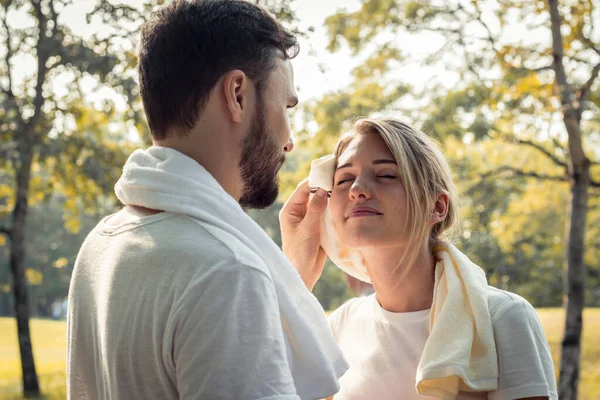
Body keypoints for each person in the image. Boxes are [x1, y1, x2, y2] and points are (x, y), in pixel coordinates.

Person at [67, 1, 346, 399]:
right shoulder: (226, 271)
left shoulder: (102, 244)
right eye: (286, 107)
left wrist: (289, 281)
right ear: (237, 94)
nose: (289, 140)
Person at [280, 117, 557, 400]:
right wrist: (295, 275)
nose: (357, 189)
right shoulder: (339, 326)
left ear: (436, 206)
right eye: (344, 179)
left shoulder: (503, 317)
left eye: (386, 175)